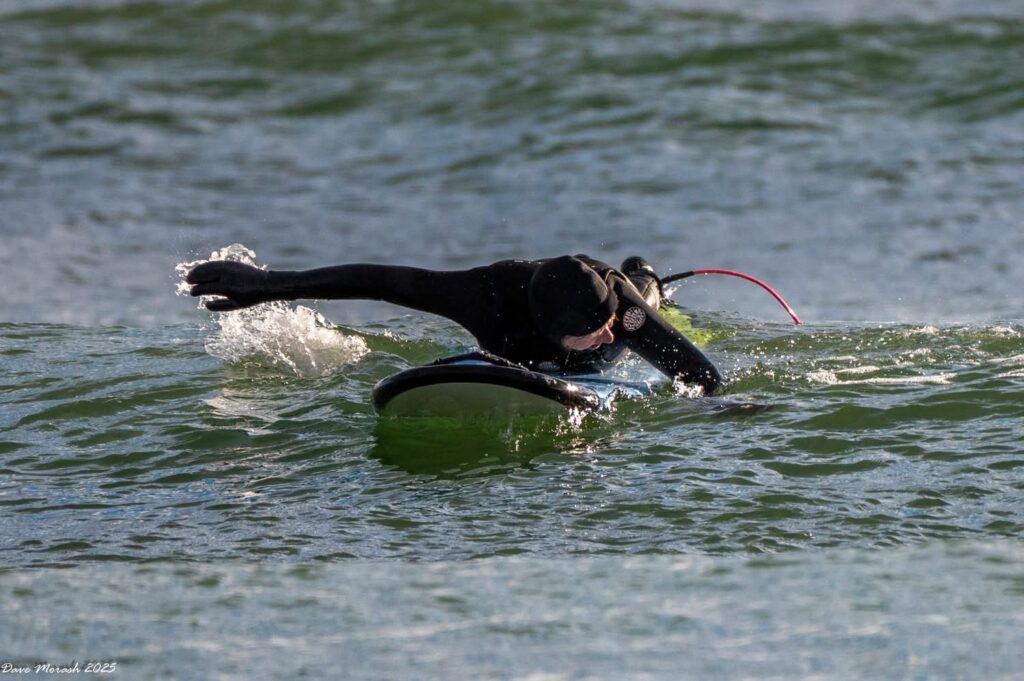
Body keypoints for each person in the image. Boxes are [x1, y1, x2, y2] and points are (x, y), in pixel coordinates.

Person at [186, 254, 723, 394]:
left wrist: (718, 403)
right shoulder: (482, 296)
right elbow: (383, 280)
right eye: (595, 330)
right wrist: (268, 284)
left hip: (620, 290)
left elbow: (700, 376)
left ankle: (645, 274)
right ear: (551, 325)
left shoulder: (617, 314)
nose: (608, 333)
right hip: (528, 328)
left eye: (607, 324)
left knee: (643, 305)